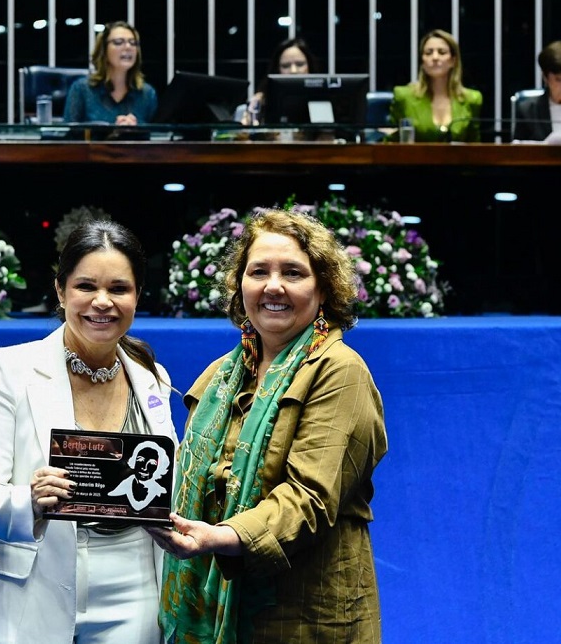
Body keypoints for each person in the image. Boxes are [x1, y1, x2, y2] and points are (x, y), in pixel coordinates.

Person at [149, 208, 388, 644]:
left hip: (304, 616)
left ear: (324, 288)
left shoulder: (341, 371)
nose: (273, 286)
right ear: (240, 286)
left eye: (292, 273)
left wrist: (222, 536)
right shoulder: (222, 376)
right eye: (259, 271)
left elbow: (309, 498)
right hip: (219, 612)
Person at [0, 219, 177, 644]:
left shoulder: (152, 378)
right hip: (30, 581)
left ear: (138, 296)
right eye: (86, 286)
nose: (102, 302)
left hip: (135, 585)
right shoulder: (7, 370)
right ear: (61, 290)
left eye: (119, 289)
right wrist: (28, 502)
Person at [388, 28, 482, 142]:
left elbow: (475, 146)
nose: (435, 57)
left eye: (442, 52)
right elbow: (390, 143)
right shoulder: (404, 97)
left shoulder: (472, 99)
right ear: (422, 61)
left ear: (453, 60)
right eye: (428, 53)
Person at [63, 21, 157, 126]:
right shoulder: (82, 90)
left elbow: (157, 134)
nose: (128, 47)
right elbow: (69, 134)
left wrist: (136, 129)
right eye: (118, 42)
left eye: (133, 43)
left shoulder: (147, 94)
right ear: (104, 49)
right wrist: (112, 131)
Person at [239, 37, 319, 126]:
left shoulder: (322, 100)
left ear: (310, 66)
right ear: (277, 69)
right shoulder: (260, 103)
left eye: (300, 64)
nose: (293, 71)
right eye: (285, 66)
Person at [106, 439, 171, 513]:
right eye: (140, 460)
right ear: (134, 461)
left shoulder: (162, 493)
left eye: (152, 463)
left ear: (159, 467)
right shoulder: (121, 487)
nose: (144, 468)